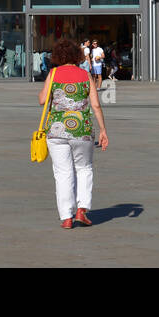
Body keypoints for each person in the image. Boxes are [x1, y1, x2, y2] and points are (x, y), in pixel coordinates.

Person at [37, 38, 109, 228]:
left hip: (56, 130)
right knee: (84, 168)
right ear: (77, 55)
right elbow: (95, 104)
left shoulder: (53, 74)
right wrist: (103, 130)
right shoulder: (85, 75)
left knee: (62, 173)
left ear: (58, 56)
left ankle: (66, 217)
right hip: (82, 130)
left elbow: (42, 100)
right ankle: (81, 210)